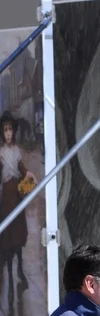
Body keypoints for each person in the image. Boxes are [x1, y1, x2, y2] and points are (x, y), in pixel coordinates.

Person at [0, 111, 35, 306]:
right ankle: (11, 273)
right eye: (5, 130)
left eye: (10, 129)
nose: (8, 133)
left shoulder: (16, 151)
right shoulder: (0, 153)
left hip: (17, 195)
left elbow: (22, 168)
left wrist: (28, 173)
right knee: (8, 237)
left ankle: (20, 269)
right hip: (6, 196)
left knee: (19, 234)